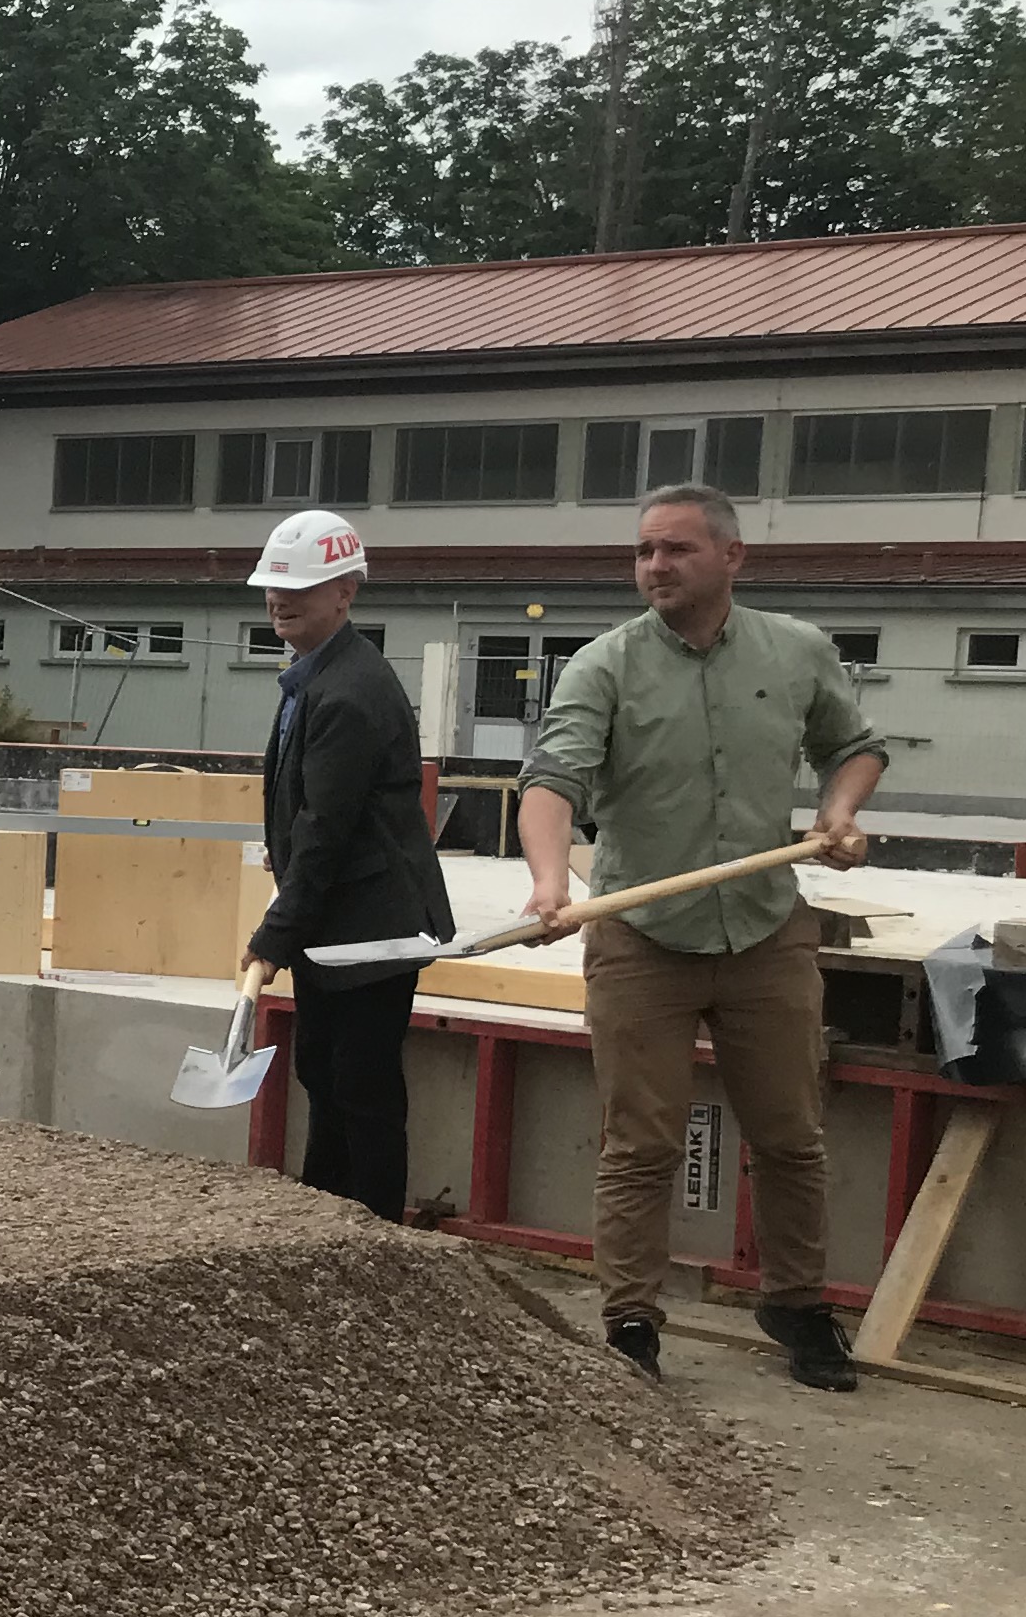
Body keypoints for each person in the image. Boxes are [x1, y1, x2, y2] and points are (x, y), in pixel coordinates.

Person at [523, 480, 886, 1388]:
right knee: (640, 1144)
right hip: (640, 935)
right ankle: (631, 1321)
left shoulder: (797, 650)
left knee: (792, 1136)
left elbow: (855, 746)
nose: (656, 566)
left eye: (676, 549)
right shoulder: (603, 666)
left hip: (766, 930)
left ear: (732, 556)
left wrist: (840, 811)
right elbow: (552, 780)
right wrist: (547, 882)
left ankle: (797, 1304)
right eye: (645, 551)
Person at [235, 509, 452, 1221]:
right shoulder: (318, 676)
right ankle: (325, 1220)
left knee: (361, 1085)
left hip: (372, 927)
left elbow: (324, 828)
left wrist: (275, 932)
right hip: (339, 922)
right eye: (273, 586)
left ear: (346, 591)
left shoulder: (350, 691)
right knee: (324, 1073)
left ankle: (373, 1231)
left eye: (298, 586)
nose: (279, 599)